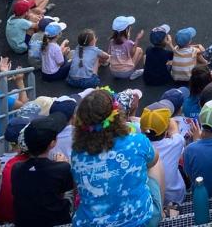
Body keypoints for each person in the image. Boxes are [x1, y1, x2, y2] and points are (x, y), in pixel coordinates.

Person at [70, 89, 163, 227]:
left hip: (90, 223)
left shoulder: (77, 154)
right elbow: (153, 161)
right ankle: (161, 212)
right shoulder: (137, 142)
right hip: (141, 221)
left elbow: (78, 188)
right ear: (117, 114)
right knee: (155, 161)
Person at [11, 114, 74, 227]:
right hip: (57, 222)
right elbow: (63, 194)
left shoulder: (16, 168)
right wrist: (64, 164)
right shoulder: (62, 168)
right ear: (52, 143)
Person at [140, 102, 189, 216]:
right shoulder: (176, 143)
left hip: (152, 200)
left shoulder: (139, 147)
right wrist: (167, 118)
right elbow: (174, 129)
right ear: (166, 129)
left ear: (142, 130)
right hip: (176, 196)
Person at [108, 16, 145, 81]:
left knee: (123, 55)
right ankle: (133, 73)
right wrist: (137, 39)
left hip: (113, 72)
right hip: (126, 73)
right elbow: (132, 54)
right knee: (139, 50)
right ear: (126, 30)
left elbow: (109, 52)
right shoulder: (128, 43)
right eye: (129, 27)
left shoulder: (112, 41)